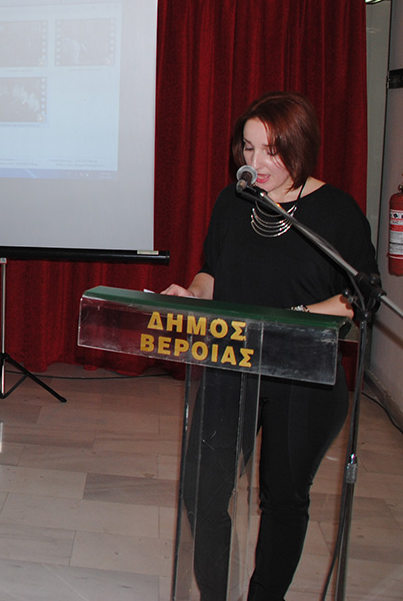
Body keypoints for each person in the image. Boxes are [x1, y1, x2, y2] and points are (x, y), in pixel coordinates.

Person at [162, 91, 378, 600]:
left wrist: (294, 316)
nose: (254, 163)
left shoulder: (336, 212)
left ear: (300, 147)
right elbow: (212, 272)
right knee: (201, 492)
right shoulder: (233, 202)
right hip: (232, 362)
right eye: (248, 147)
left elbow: (358, 296)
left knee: (283, 499)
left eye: (270, 151)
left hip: (304, 374)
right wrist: (192, 294)